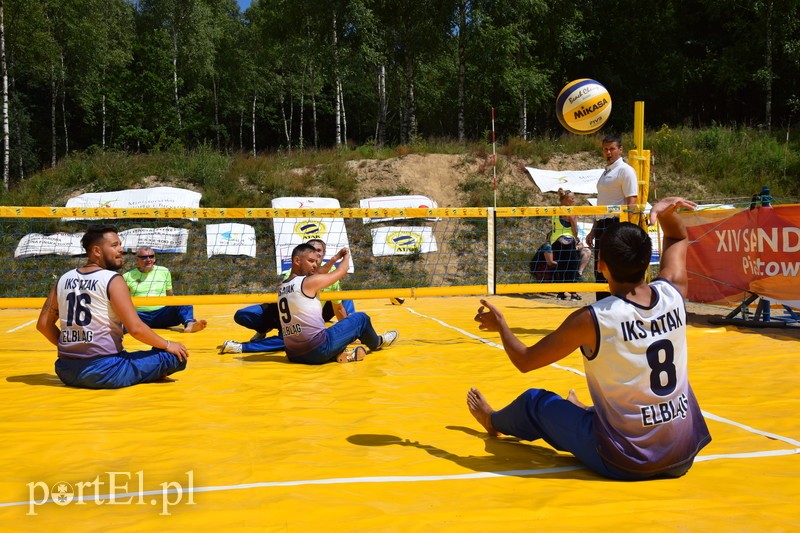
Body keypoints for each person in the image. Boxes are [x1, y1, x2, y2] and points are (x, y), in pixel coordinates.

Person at [466, 197, 711, 480]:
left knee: (535, 403)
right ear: (647, 262)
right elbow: (678, 237)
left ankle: (491, 420)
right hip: (683, 455)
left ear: (602, 264)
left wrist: (502, 326)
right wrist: (664, 211)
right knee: (630, 399)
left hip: (626, 461)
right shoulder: (673, 292)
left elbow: (525, 360)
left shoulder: (593, 318)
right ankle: (587, 413)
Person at [36, 225, 189, 389]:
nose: (121, 249)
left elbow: (43, 325)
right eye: (114, 245)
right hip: (106, 371)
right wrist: (167, 344)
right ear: (97, 251)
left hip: (65, 371)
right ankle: (150, 372)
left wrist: (70, 349)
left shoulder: (63, 279)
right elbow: (136, 329)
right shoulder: (113, 279)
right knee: (175, 356)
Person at [220, 239, 356, 354]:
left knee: (344, 296)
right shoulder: (293, 273)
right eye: (311, 250)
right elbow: (316, 276)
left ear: (323, 254)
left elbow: (336, 305)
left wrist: (348, 331)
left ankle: (241, 347)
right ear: (301, 258)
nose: (316, 253)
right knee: (242, 314)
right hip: (286, 315)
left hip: (311, 318)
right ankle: (263, 328)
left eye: (319, 251)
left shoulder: (329, 273)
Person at [273, 243, 397, 364]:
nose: (315, 265)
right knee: (361, 318)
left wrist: (334, 258)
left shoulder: (281, 286)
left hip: (293, 354)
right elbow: (342, 270)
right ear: (297, 260)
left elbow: (319, 273)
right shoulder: (307, 283)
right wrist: (347, 256)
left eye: (316, 262)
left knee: (324, 333)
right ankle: (378, 342)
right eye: (311, 261)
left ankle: (340, 355)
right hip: (317, 350)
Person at [586, 135, 639, 300]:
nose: (608, 152)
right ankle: (601, 304)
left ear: (620, 150)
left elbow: (632, 201)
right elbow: (602, 204)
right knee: (600, 268)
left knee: (613, 268)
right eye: (605, 149)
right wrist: (593, 231)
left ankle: (617, 303)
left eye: (612, 149)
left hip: (616, 225)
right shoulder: (606, 172)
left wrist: (630, 231)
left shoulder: (626, 171)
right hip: (602, 224)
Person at [122, 246, 206, 333]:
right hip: (140, 316)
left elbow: (170, 296)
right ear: (137, 260)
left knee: (184, 302)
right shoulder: (127, 276)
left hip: (162, 314)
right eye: (144, 257)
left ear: (154, 259)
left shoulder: (164, 271)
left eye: (151, 256)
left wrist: (184, 308)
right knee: (121, 315)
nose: (148, 260)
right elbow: (123, 301)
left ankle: (189, 324)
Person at [541, 188, 592, 300]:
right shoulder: (569, 211)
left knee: (560, 266)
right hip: (568, 241)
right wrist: (577, 239)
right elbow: (575, 230)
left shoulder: (555, 210)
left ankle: (561, 293)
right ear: (565, 199)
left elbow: (554, 228)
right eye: (572, 198)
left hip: (555, 241)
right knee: (572, 266)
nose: (574, 200)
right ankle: (573, 293)